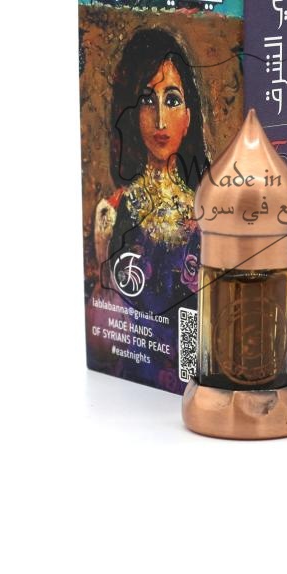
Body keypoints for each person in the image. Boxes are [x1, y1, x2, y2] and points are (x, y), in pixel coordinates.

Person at [87, 28, 208, 393]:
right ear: (131, 112)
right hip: (127, 378)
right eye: (146, 101)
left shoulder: (209, 211)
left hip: (193, 375)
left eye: (171, 100)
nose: (159, 121)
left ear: (189, 116)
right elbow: (103, 325)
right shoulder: (111, 213)